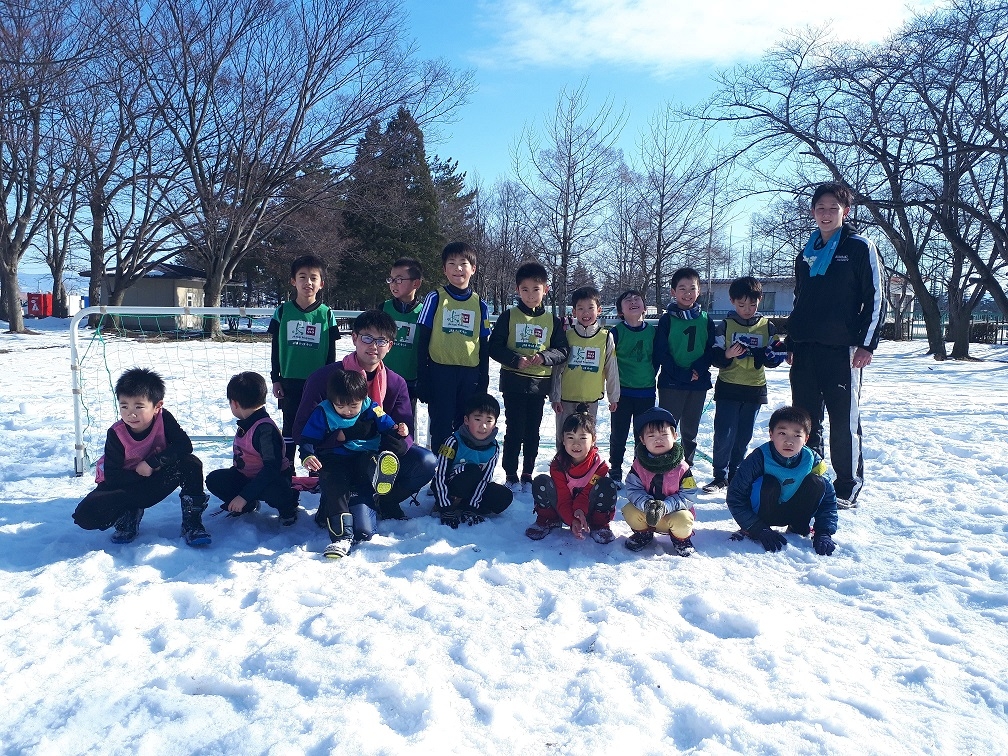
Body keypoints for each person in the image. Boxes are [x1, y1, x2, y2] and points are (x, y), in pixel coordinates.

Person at [787, 182, 884, 508]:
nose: (826, 214)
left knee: (844, 422)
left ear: (846, 211)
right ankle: (810, 479)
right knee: (805, 420)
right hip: (805, 350)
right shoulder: (806, 252)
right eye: (820, 208)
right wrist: (792, 340)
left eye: (833, 208)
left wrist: (867, 344)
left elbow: (875, 298)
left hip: (842, 351)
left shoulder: (859, 247)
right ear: (813, 212)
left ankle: (847, 485)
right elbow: (801, 300)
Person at [293, 310, 438, 520]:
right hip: (336, 460)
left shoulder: (396, 383)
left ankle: (385, 500)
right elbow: (301, 430)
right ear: (354, 338)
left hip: (375, 456)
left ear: (390, 345)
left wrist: (400, 441)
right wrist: (344, 435)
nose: (373, 346)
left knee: (426, 461)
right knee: (359, 527)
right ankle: (335, 499)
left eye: (381, 340)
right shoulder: (324, 378)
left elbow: (405, 429)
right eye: (367, 338)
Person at [73, 368, 211, 546]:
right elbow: (113, 477)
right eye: (124, 406)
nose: (131, 413)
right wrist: (138, 474)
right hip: (126, 485)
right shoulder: (116, 434)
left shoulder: (164, 419)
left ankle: (192, 522)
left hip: (157, 480)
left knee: (190, 464)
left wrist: (153, 463)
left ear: (157, 406)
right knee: (85, 515)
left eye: (139, 406)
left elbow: (184, 445)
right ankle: (128, 515)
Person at [299, 369, 409, 558]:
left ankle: (378, 473)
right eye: (340, 407)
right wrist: (307, 456)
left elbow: (389, 426)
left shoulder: (371, 408)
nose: (347, 411)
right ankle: (341, 538)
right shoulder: (323, 412)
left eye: (353, 406)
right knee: (336, 486)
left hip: (364, 456)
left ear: (363, 398)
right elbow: (308, 439)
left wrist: (400, 430)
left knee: (365, 532)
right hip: (335, 460)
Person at [488, 260, 569, 493]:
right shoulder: (509, 316)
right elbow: (495, 347)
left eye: (536, 289)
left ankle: (527, 472)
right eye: (525, 289)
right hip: (513, 382)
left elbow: (562, 350)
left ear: (546, 289)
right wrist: (515, 359)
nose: (531, 295)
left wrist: (544, 357)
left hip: (538, 385)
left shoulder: (552, 321)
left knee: (532, 431)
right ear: (517, 290)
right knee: (514, 429)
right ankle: (511, 473)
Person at [704, 277, 786, 492]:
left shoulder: (767, 326)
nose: (747, 309)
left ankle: (735, 474)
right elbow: (714, 356)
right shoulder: (726, 325)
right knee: (724, 433)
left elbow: (774, 356)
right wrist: (727, 354)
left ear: (760, 300)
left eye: (752, 304)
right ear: (732, 302)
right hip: (729, 387)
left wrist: (771, 355)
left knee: (743, 436)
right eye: (741, 305)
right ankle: (719, 475)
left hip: (754, 390)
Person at [726, 405, 838, 556]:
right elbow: (735, 496)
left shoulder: (813, 460)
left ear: (806, 439)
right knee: (769, 482)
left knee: (817, 482)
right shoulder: (758, 458)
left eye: (797, 435)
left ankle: (797, 526)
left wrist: (824, 531)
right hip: (762, 514)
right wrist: (756, 527)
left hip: (795, 512)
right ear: (771, 434)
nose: (789, 441)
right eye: (782, 433)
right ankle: (751, 529)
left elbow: (828, 498)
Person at [415, 241, 491, 453]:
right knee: (441, 422)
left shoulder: (480, 304)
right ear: (444, 269)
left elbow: (483, 344)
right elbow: (423, 340)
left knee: (465, 423)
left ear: (473, 269)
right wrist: (424, 376)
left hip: (469, 373)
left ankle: (460, 466)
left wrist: (483, 378)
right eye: (452, 263)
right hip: (441, 371)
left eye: (463, 263)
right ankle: (441, 468)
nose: (458, 268)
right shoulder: (435, 298)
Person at [268, 254, 341, 467]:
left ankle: (315, 472)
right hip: (289, 380)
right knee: (289, 426)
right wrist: (276, 378)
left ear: (321, 284)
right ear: (293, 281)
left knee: (316, 425)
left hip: (317, 384)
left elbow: (331, 352)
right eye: (302, 277)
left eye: (313, 278)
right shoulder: (282, 311)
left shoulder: (326, 314)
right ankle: (288, 467)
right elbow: (275, 348)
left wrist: (329, 381)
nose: (307, 282)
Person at [205, 371, 299, 526]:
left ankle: (289, 505)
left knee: (275, 491)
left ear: (234, 403)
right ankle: (248, 505)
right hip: (246, 476)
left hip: (272, 479)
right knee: (214, 480)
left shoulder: (264, 430)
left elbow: (271, 468)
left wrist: (244, 495)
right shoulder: (246, 422)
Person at [525, 404, 618, 543]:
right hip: (564, 511)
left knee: (607, 485)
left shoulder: (599, 467)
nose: (576, 444)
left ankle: (599, 525)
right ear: (563, 440)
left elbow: (586, 493)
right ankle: (548, 519)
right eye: (570, 438)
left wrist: (580, 512)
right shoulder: (558, 466)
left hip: (589, 512)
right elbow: (563, 498)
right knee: (541, 482)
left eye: (582, 438)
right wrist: (572, 520)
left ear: (593, 440)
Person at [654, 267, 717, 467]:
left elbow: (711, 348)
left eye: (692, 288)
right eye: (682, 288)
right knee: (667, 428)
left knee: (690, 430)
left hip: (697, 383)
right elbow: (661, 352)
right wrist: (682, 374)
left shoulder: (706, 320)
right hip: (672, 382)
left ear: (699, 291)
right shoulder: (667, 320)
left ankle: (685, 467)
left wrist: (698, 369)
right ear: (673, 292)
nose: (687, 293)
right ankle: (664, 465)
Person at [621, 406, 698, 556]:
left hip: (673, 515)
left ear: (675, 435)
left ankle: (681, 540)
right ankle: (644, 534)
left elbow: (689, 495)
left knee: (683, 519)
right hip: (647, 514)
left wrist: (666, 506)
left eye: (664, 434)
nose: (658, 439)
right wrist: (648, 504)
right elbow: (632, 489)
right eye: (651, 436)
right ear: (642, 440)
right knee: (629, 510)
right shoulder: (638, 465)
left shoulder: (682, 467)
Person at [550, 285, 620, 447]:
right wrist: (555, 396)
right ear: (574, 312)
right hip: (566, 399)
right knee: (564, 439)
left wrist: (613, 396)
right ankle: (562, 470)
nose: (586, 313)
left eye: (590, 308)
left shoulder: (605, 337)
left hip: (590, 400)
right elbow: (558, 369)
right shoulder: (567, 336)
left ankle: (587, 472)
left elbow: (611, 368)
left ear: (599, 310)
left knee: (586, 440)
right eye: (580, 308)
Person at [432, 393, 513, 528]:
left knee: (504, 496)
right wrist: (444, 507)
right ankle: (450, 504)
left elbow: (485, 479)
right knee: (472, 470)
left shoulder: (493, 447)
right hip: (450, 488)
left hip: (473, 489)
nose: (483, 426)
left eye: (489, 421)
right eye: (477, 419)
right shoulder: (453, 442)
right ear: (466, 420)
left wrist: (472, 507)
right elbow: (440, 475)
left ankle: (466, 506)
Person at [608, 289, 657, 488]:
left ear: (645, 307)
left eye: (637, 299)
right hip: (622, 393)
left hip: (646, 391)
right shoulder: (616, 332)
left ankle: (640, 469)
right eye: (627, 300)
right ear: (621, 311)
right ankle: (616, 469)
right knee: (618, 434)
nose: (633, 302)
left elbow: (657, 358)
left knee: (643, 435)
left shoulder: (653, 331)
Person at [381, 257, 425, 432]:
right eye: (391, 279)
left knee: (405, 427)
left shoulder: (424, 312)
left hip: (410, 382)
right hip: (383, 379)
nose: (393, 284)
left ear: (416, 283)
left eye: (399, 279)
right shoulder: (383, 309)